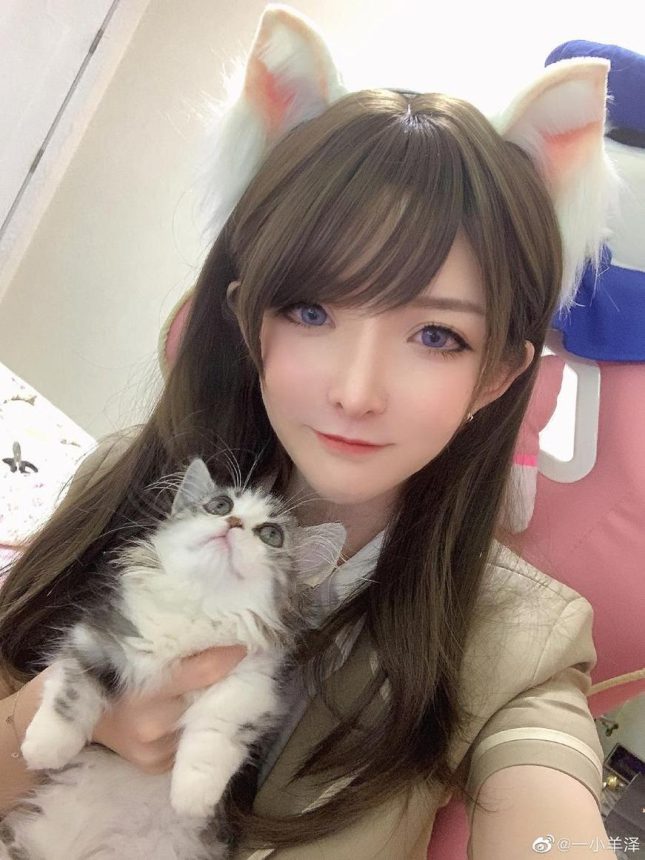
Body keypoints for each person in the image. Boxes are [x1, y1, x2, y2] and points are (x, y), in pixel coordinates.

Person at [0, 5, 618, 859]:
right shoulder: (123, 482)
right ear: (247, 319)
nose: (355, 391)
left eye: (435, 335)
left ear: (497, 375)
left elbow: (547, 814)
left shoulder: (518, 640)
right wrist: (62, 711)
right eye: (311, 311)